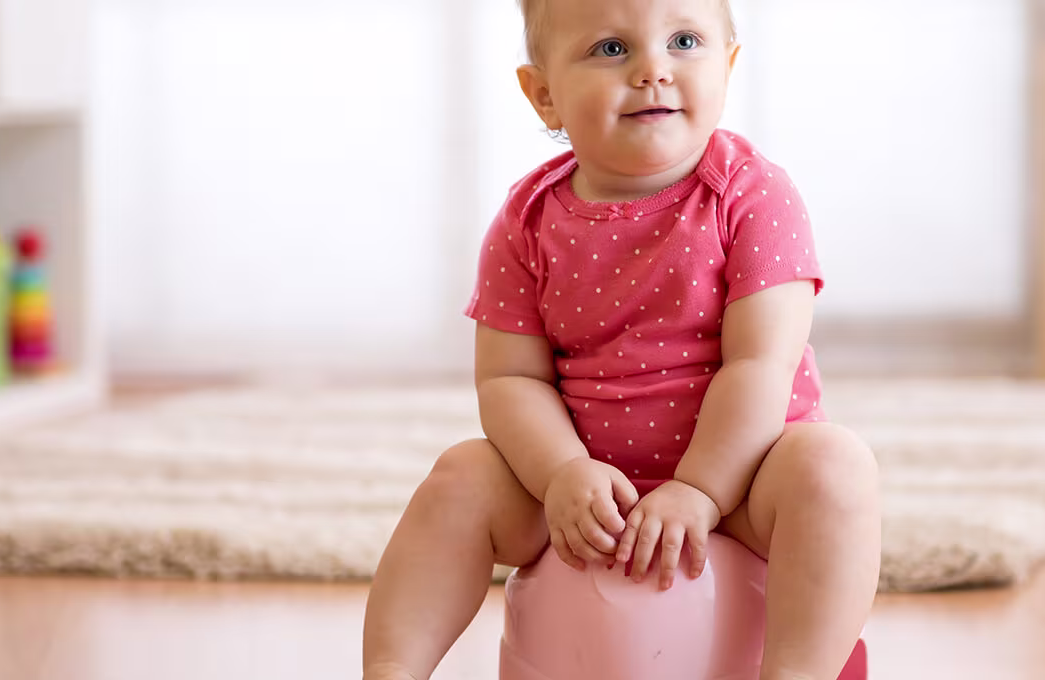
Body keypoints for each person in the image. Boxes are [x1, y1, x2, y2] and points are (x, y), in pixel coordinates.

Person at [362, 0, 880, 677]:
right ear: (544, 94)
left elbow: (761, 363)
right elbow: (510, 380)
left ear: (727, 65)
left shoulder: (754, 197)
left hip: (745, 485)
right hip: (583, 493)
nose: (654, 71)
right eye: (612, 49)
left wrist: (700, 489)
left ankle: (794, 671)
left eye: (685, 41)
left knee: (833, 467)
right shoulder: (526, 222)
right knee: (462, 476)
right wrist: (561, 473)